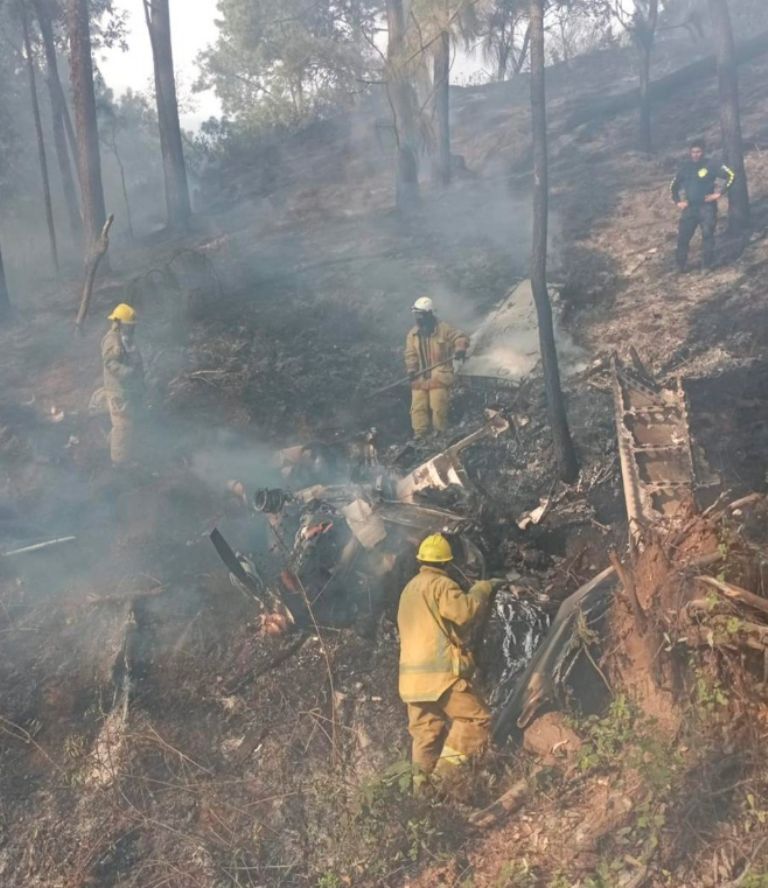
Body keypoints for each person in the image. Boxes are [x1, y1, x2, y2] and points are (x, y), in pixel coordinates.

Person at [397, 533, 498, 778]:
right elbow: (463, 613)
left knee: (425, 737)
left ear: (421, 560)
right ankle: (445, 779)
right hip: (440, 677)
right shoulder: (441, 585)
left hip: (411, 683)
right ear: (447, 563)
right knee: (477, 721)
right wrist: (482, 589)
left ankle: (423, 798)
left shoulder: (408, 590)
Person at [404, 297, 469, 438]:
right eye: (416, 315)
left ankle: (440, 435)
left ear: (429, 314)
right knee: (417, 408)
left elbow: (460, 337)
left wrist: (459, 349)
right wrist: (411, 370)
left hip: (440, 375)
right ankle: (420, 436)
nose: (418, 318)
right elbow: (410, 354)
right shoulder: (413, 334)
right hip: (420, 377)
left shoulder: (443, 329)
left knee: (438, 406)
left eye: (421, 315)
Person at [670, 139, 735, 272]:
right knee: (683, 238)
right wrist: (677, 201)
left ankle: (706, 266)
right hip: (689, 208)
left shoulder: (712, 164)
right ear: (690, 152)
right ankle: (680, 266)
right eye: (693, 152)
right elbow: (673, 186)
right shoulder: (685, 167)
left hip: (707, 208)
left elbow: (731, 175)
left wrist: (719, 193)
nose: (696, 154)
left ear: (703, 152)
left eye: (698, 151)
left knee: (707, 236)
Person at [101, 304, 145, 466]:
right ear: (118, 323)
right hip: (119, 391)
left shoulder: (126, 339)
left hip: (130, 389)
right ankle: (119, 463)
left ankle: (115, 449)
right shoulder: (113, 341)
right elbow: (110, 363)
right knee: (123, 425)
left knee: (130, 422)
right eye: (129, 326)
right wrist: (128, 373)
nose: (132, 329)